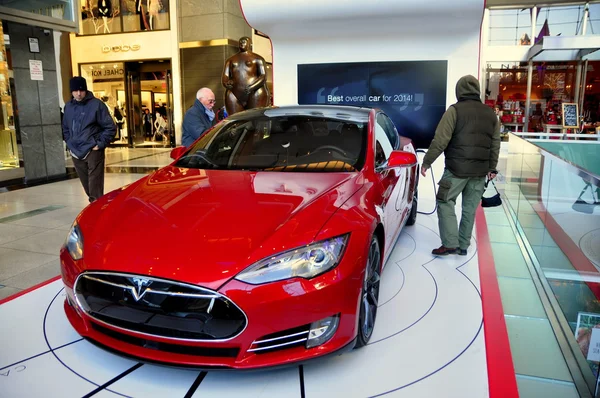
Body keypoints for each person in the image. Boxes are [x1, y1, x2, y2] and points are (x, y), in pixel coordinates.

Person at [421, 75, 501, 256]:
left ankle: (449, 243)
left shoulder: (454, 111)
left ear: (459, 91)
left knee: (445, 201)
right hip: (479, 173)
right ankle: (463, 245)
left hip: (456, 170)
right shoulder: (490, 114)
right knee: (470, 209)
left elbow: (440, 140)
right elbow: (495, 143)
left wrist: (427, 162)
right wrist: (492, 167)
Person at [62, 76, 116, 203]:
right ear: (71, 91)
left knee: (95, 188)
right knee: (87, 187)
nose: (79, 93)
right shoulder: (68, 107)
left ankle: (96, 213)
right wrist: (69, 142)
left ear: (85, 90)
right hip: (76, 151)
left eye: (81, 90)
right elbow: (65, 128)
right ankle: (95, 207)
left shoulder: (97, 105)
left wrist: (99, 144)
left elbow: (110, 127)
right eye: (75, 90)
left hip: (93, 150)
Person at [222, 36, 271, 116]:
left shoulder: (257, 58)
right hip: (234, 93)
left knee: (255, 119)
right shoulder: (230, 60)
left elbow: (263, 76)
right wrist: (226, 82)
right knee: (235, 120)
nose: (242, 43)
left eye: (244, 42)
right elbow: (225, 76)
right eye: (240, 42)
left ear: (250, 44)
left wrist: (252, 87)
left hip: (255, 92)